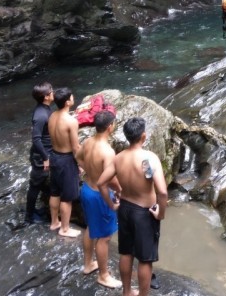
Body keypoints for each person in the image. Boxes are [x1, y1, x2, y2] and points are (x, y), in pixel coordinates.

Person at [97, 117, 168, 296]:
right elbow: (162, 192)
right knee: (145, 259)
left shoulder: (119, 158)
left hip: (125, 209)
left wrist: (111, 204)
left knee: (126, 253)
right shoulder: (148, 159)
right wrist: (160, 214)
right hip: (144, 213)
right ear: (143, 136)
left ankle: (127, 292)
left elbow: (101, 183)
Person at [76, 110, 121, 289]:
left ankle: (88, 264)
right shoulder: (108, 151)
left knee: (91, 227)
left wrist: (88, 170)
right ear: (110, 127)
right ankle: (103, 275)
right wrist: (120, 190)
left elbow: (78, 158)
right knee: (104, 237)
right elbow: (110, 179)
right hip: (99, 195)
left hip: (87, 189)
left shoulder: (87, 142)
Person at [48, 87, 82, 238]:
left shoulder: (52, 116)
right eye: (72, 96)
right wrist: (81, 164)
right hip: (66, 159)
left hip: (54, 156)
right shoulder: (71, 121)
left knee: (55, 191)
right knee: (67, 197)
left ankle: (55, 222)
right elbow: (75, 147)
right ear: (68, 102)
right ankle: (65, 229)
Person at [25, 82, 54, 224]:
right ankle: (29, 217)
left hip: (44, 152)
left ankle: (38, 209)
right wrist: (45, 158)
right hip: (41, 155)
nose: (53, 93)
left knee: (40, 183)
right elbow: (36, 139)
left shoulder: (45, 109)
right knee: (35, 185)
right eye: (51, 91)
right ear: (46, 97)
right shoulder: (41, 115)